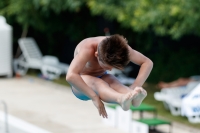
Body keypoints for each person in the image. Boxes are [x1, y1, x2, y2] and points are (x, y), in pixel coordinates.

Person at [66, 34, 153, 118]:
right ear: (97, 55)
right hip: (80, 85)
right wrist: (94, 97)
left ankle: (134, 96)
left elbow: (147, 63)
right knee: (98, 83)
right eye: (107, 66)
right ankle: (120, 99)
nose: (111, 69)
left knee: (113, 80)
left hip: (103, 76)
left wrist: (135, 85)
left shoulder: (121, 48)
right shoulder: (87, 48)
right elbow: (70, 76)